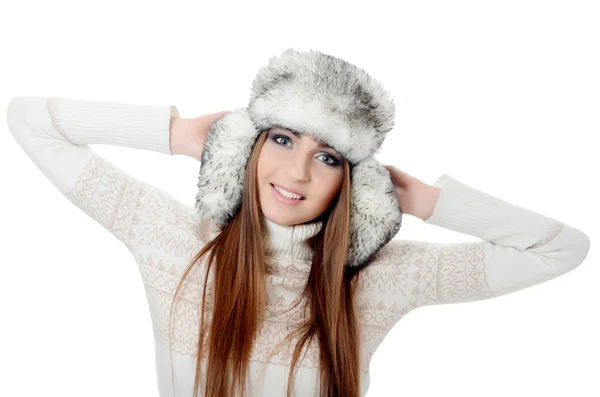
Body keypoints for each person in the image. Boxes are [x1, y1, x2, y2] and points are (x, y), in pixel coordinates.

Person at [6, 48, 591, 397]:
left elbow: (561, 249)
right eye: (281, 139)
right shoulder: (169, 240)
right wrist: (179, 135)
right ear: (247, 147)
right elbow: (28, 119)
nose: (297, 171)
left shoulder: (378, 280)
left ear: (352, 183)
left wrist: (424, 200)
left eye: (329, 156)